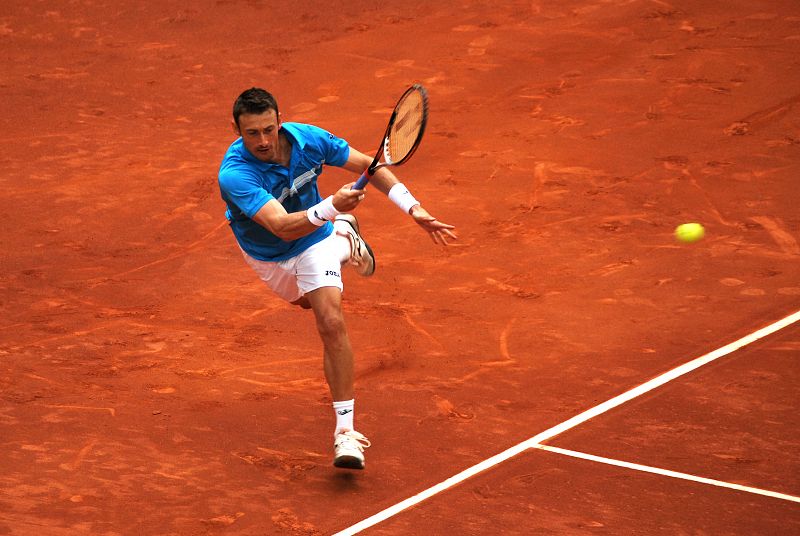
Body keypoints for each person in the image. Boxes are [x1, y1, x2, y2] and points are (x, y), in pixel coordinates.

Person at [217, 87, 456, 470]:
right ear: (236, 130)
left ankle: (345, 434)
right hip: (268, 251)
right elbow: (280, 226)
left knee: (329, 320)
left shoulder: (309, 140)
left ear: (279, 121)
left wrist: (414, 208)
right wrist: (333, 207)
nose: (262, 141)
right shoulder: (235, 175)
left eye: (268, 129)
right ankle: (348, 235)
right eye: (251, 133)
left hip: (314, 240)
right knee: (305, 301)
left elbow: (370, 166)